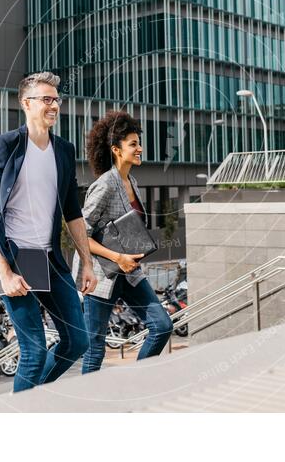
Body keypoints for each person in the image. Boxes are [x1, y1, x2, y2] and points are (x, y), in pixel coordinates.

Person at [0, 71, 97, 392]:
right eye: (46, 99)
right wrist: (4, 271)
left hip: (49, 257)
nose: (54, 105)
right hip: (18, 256)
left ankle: (31, 402)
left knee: (77, 341)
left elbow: (72, 211)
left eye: (56, 99)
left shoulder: (63, 150)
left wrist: (86, 262)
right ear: (26, 103)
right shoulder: (5, 145)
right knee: (32, 353)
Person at [75, 111, 173, 373]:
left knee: (162, 325)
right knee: (94, 349)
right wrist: (117, 257)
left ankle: (135, 382)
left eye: (138, 143)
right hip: (101, 275)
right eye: (133, 144)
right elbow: (80, 233)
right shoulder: (105, 185)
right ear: (116, 150)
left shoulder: (133, 181)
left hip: (129, 274)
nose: (139, 148)